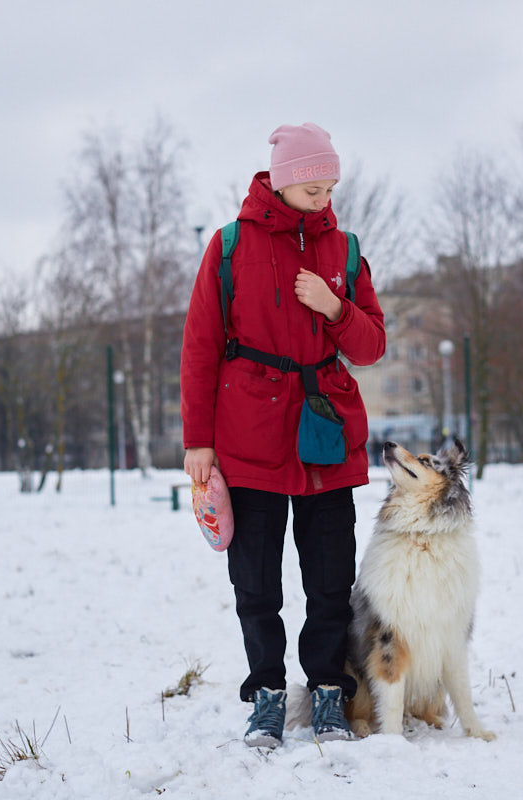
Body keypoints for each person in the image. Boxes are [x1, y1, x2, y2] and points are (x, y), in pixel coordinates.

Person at [180, 123, 386, 748]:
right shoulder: (228, 246)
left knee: (329, 576)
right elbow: (199, 349)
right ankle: (266, 694)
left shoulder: (345, 250)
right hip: (247, 436)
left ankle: (328, 691)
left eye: (330, 187)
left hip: (323, 430)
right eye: (312, 187)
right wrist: (197, 441)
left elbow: (372, 345)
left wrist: (334, 307)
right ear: (284, 182)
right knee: (256, 581)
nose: (324, 197)